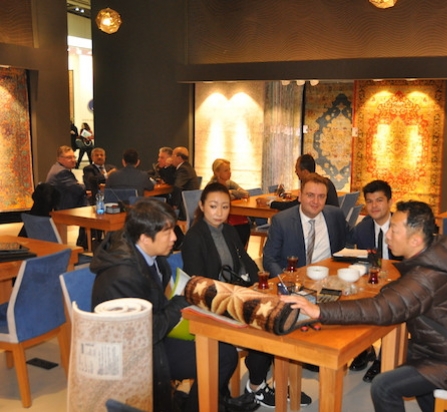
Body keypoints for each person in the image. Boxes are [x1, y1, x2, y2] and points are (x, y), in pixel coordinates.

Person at [281, 201, 447, 412]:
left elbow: (381, 309)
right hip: (443, 351)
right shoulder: (437, 250)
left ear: (415, 240)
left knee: (384, 386)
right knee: (404, 373)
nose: (387, 235)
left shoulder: (426, 277)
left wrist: (319, 310)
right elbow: (397, 295)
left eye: (394, 230)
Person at [90, 198, 258, 412]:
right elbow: (144, 333)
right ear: (145, 238)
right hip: (133, 354)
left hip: (153, 336)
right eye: (167, 232)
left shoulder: (148, 253)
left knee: (223, 352)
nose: (174, 238)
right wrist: (180, 302)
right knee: (219, 357)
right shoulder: (122, 277)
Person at [181, 183, 310, 408]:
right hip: (212, 303)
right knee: (265, 324)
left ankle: (268, 380)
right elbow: (199, 283)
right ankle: (256, 386)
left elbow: (246, 260)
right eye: (213, 206)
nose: (219, 212)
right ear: (202, 206)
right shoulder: (194, 237)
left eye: (225, 207)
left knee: (280, 310)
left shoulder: (228, 230)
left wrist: (260, 282)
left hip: (236, 295)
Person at [347, 179, 401, 380]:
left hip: (399, 283)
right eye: (369, 201)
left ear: (390, 202)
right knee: (354, 297)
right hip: (372, 281)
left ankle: (382, 358)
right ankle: (365, 348)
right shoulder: (363, 228)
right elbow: (358, 257)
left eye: (379, 200)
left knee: (390, 305)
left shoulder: (402, 226)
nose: (374, 206)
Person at [262, 173, 348, 278]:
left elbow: (354, 238)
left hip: (328, 280)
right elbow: (269, 260)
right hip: (294, 280)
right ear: (300, 196)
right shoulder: (282, 221)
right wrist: (284, 280)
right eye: (310, 195)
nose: (316, 201)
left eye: (321, 196)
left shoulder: (335, 216)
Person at [269, 154, 340, 211]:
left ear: (305, 172)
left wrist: (271, 203)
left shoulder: (311, 186)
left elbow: (293, 206)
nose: (296, 172)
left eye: (297, 169)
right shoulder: (326, 182)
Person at [208, 159, 251, 247]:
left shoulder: (229, 183)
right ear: (217, 173)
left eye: (229, 169)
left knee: (246, 223)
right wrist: (235, 194)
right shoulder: (212, 185)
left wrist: (231, 192)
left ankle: (239, 251)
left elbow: (245, 194)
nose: (229, 172)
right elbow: (224, 199)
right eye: (226, 170)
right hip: (218, 217)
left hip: (233, 215)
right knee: (239, 228)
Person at [45, 145, 88, 210]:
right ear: (59, 159)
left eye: (74, 157)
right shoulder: (62, 172)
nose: (73, 160)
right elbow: (79, 189)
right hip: (66, 210)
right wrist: (82, 185)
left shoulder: (57, 168)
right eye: (69, 158)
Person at [170, 146, 200, 220]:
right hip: (191, 201)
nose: (171, 158)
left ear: (179, 158)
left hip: (186, 204)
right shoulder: (186, 166)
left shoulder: (183, 169)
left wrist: (175, 205)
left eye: (172, 155)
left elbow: (177, 187)